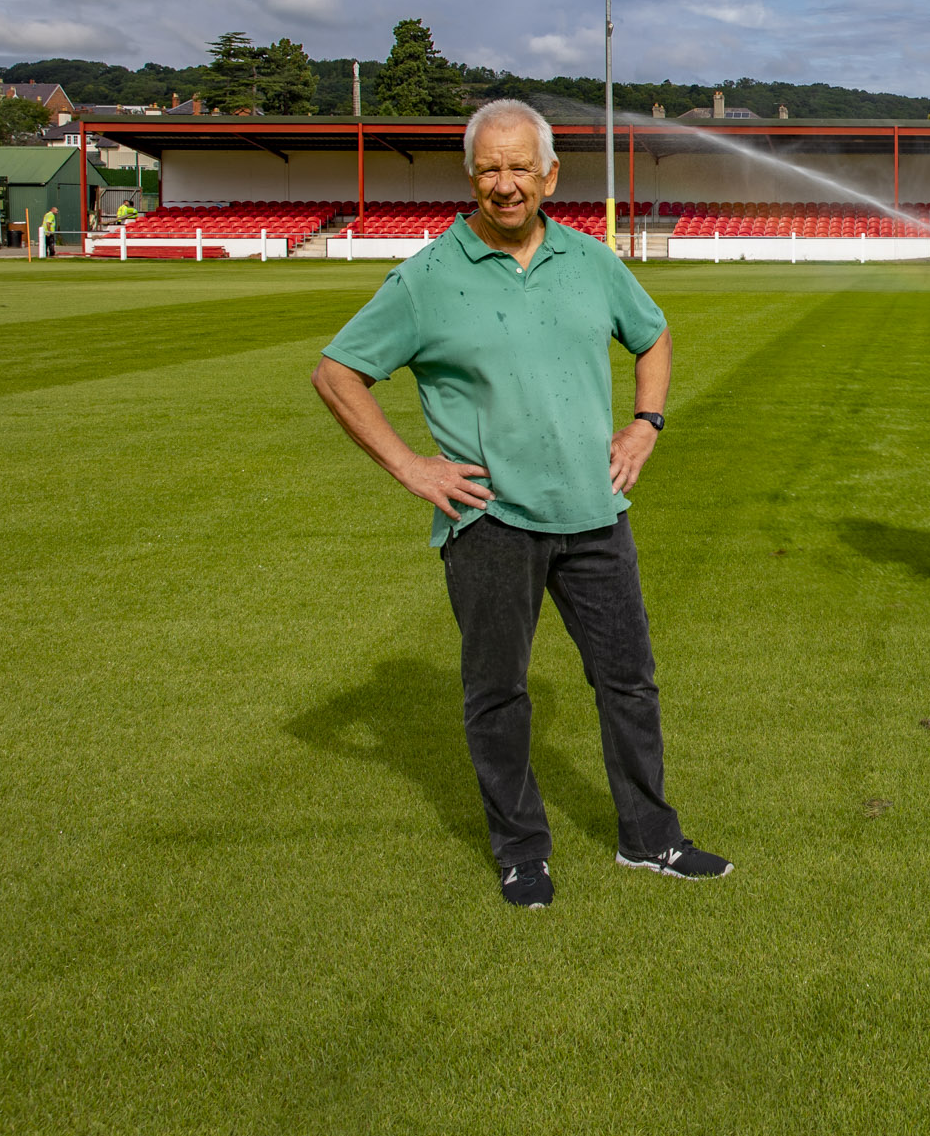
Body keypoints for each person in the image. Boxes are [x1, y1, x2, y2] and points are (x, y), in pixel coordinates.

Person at [311, 99, 728, 909]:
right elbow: (337, 373)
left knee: (629, 683)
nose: (506, 184)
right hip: (490, 520)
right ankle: (520, 851)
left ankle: (650, 837)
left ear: (550, 174)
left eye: (520, 167)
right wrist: (411, 467)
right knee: (498, 692)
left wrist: (644, 424)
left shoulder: (591, 260)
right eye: (490, 168)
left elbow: (652, 335)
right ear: (471, 175)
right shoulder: (428, 276)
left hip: (596, 511)